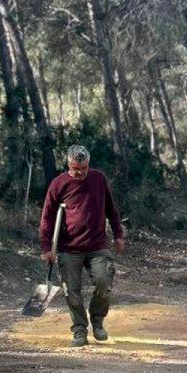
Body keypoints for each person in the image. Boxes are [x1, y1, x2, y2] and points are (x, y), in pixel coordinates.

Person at [40, 145, 125, 347]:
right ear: (69, 164)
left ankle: (97, 321)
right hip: (69, 248)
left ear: (88, 164)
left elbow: (111, 209)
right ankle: (79, 330)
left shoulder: (98, 179)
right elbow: (47, 218)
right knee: (72, 291)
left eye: (84, 168)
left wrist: (118, 235)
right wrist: (46, 248)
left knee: (105, 281)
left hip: (97, 245)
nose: (80, 173)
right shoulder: (58, 184)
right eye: (76, 168)